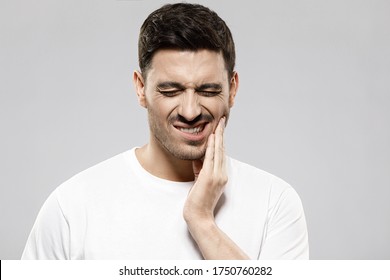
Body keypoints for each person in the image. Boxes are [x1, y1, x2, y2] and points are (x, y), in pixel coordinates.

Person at [22, 3, 309, 260]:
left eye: (208, 90)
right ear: (140, 88)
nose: (190, 110)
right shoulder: (72, 207)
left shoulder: (275, 203)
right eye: (170, 91)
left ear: (232, 89)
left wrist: (202, 222)